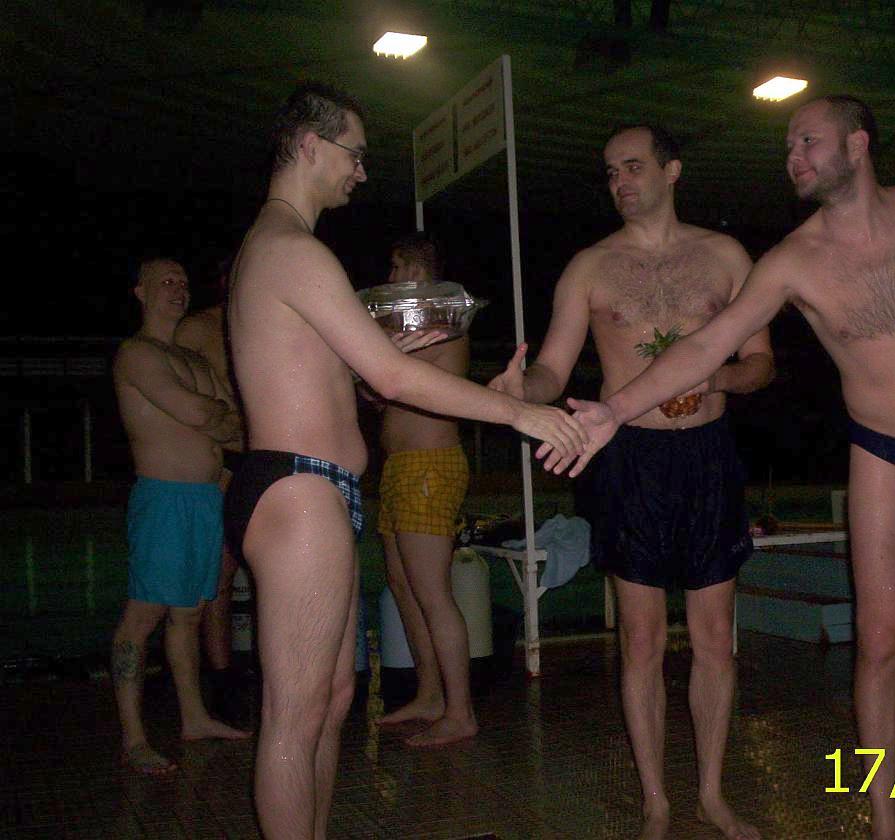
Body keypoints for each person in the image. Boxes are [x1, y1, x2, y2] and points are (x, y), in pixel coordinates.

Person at [552, 96, 895, 838]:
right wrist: (614, 411)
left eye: (807, 142)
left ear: (858, 145)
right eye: (788, 148)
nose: (793, 158)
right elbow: (706, 347)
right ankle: (884, 816)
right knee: (882, 638)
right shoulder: (790, 262)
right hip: (882, 450)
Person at [222, 82, 586, 839]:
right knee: (295, 713)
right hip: (297, 488)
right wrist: (519, 412)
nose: (361, 172)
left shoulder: (279, 249)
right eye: (353, 154)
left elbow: (351, 379)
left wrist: (386, 355)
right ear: (310, 145)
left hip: (310, 485)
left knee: (331, 700)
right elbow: (391, 382)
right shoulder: (292, 249)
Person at [489, 124, 773, 840]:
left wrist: (717, 378)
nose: (619, 182)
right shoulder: (590, 267)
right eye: (611, 171)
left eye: (633, 167)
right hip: (631, 459)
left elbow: (761, 362)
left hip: (707, 455)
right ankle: (656, 803)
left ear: (672, 171)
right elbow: (554, 368)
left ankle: (711, 794)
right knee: (642, 641)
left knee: (714, 638)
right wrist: (525, 390)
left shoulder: (726, 256)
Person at [111, 256, 252, 775]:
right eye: (166, 282)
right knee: (143, 615)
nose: (178, 289)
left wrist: (213, 416)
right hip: (165, 499)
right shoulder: (137, 354)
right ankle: (133, 740)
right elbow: (201, 413)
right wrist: (212, 415)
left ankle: (194, 718)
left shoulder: (193, 360)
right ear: (140, 291)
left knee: (189, 612)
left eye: (183, 282)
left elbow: (234, 427)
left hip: (206, 497)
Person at [372, 233, 478, 747]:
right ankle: (431, 694)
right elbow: (381, 393)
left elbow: (389, 376)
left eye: (396, 268)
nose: (389, 278)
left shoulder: (440, 323)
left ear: (415, 271)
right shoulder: (405, 327)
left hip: (429, 467)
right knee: (403, 584)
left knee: (433, 592)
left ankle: (461, 712)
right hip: (399, 468)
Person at [174, 259, 241, 718]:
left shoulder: (262, 322)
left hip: (262, 456)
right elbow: (179, 397)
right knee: (216, 575)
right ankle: (221, 680)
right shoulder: (199, 328)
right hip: (222, 459)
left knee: (267, 570)